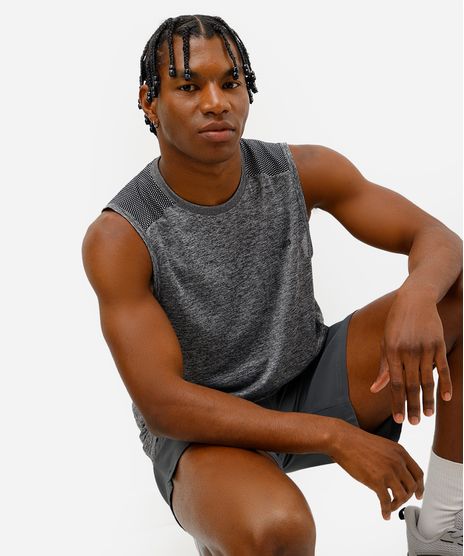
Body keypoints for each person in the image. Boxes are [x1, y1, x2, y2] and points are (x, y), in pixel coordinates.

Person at [81, 14, 463, 556]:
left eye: (230, 82)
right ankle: (234, 515)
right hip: (204, 428)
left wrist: (419, 296)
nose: (216, 102)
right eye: (189, 87)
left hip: (306, 378)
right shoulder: (122, 235)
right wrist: (335, 436)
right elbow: (164, 403)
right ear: (149, 102)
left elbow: (435, 238)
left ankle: (443, 533)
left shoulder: (299, 171)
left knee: (455, 294)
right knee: (277, 530)